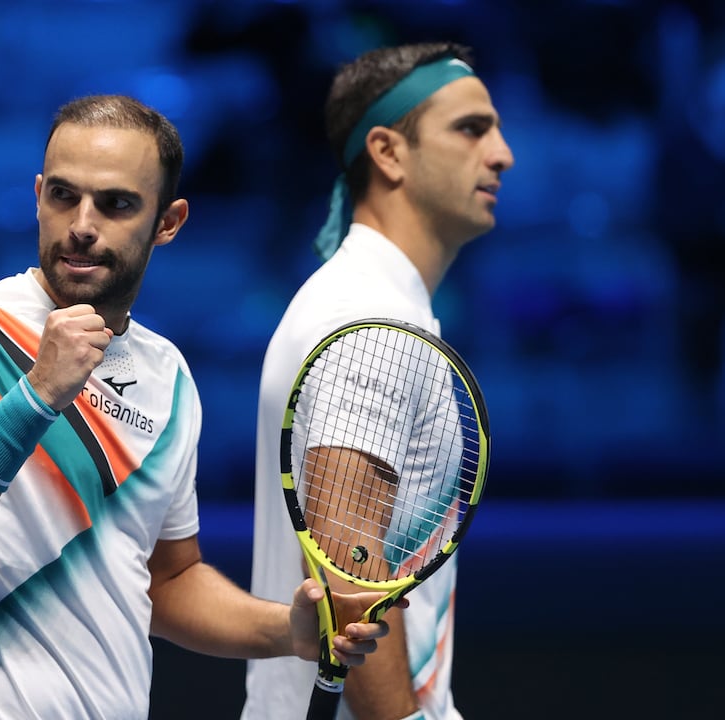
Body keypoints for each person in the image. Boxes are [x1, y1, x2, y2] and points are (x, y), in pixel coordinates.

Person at [0, 94, 392, 719]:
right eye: (63, 196)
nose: (82, 223)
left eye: (115, 204)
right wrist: (34, 398)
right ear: (37, 196)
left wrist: (288, 633)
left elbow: (166, 583)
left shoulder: (168, 375)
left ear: (168, 222)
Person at [243, 43, 514, 720]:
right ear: (388, 153)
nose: (502, 153)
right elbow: (349, 585)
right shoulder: (369, 317)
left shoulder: (372, 303)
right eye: (471, 128)